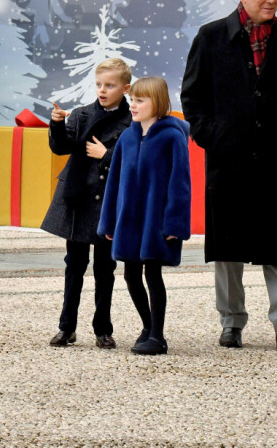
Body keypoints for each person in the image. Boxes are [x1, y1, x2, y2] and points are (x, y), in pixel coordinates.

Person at [181, 0, 277, 351]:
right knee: (229, 246)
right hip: (230, 159)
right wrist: (213, 136)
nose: (271, 0)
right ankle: (231, 322)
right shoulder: (211, 37)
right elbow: (193, 98)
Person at [42, 58, 132, 349]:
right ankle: (66, 327)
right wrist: (56, 126)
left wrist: (106, 154)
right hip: (78, 199)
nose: (103, 90)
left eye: (110, 85)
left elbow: (133, 161)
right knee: (74, 265)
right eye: (99, 85)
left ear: (125, 88)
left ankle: (102, 329)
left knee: (105, 269)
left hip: (107, 201)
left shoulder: (132, 122)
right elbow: (61, 147)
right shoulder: (81, 114)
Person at [98, 77, 191, 355]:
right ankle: (148, 327)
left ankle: (158, 336)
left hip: (156, 221)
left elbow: (181, 184)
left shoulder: (172, 136)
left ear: (157, 102)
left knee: (153, 273)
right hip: (129, 221)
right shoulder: (128, 136)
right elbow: (114, 183)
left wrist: (175, 222)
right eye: (132, 99)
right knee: (130, 275)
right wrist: (109, 222)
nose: (133, 105)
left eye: (140, 100)